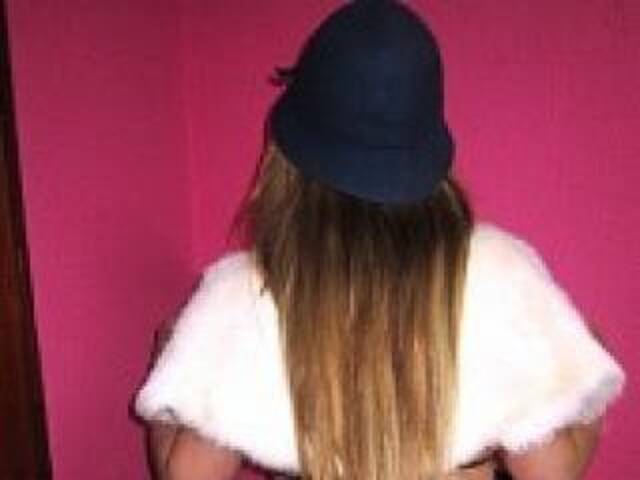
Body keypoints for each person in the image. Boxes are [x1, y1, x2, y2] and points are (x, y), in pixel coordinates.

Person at [132, 1, 627, 479]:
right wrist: (584, 372)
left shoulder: (246, 290)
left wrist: (172, 357)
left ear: (286, 158)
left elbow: (188, 474)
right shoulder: (499, 272)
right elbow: (551, 470)